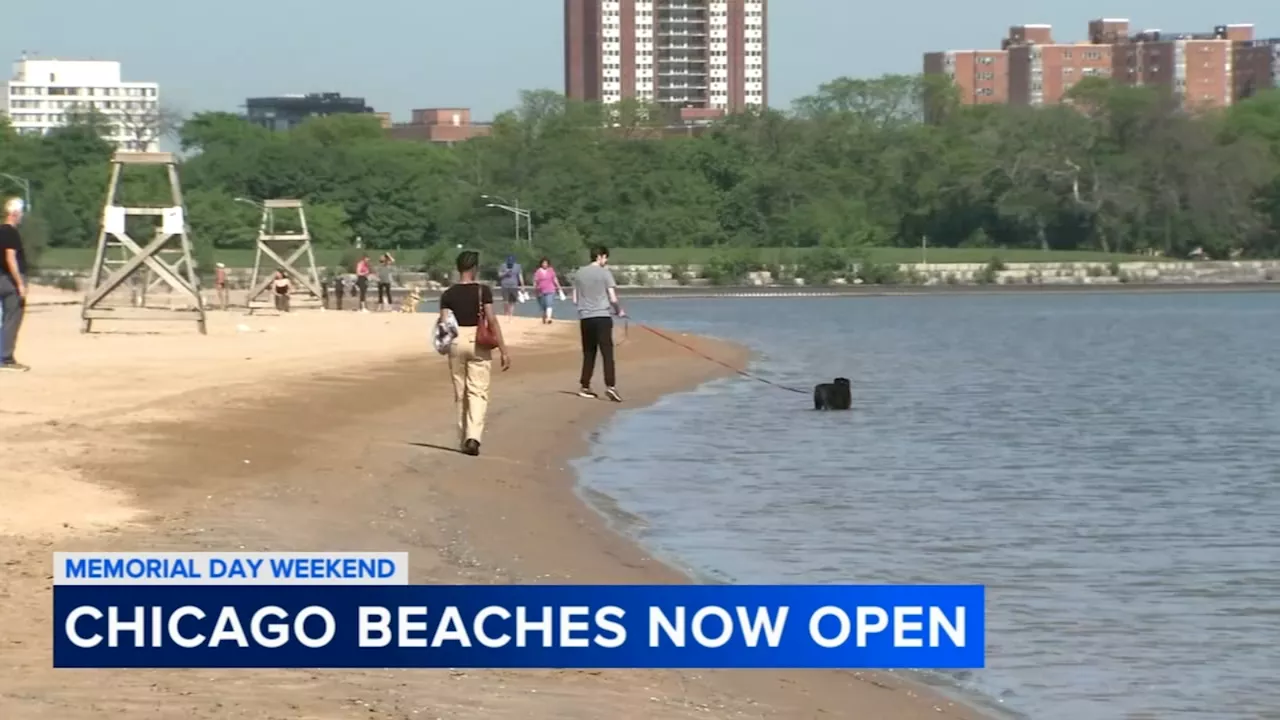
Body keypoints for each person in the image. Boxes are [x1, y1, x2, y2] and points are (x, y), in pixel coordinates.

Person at [439, 250, 511, 456]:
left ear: (458, 268)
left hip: (455, 341)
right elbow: (492, 320)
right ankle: (473, 437)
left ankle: (463, 439)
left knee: (460, 393)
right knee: (478, 391)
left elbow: (444, 323)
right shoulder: (483, 291)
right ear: (474, 268)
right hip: (478, 340)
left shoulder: (448, 294)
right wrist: (504, 350)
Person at [571, 245, 624, 402]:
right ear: (600, 256)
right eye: (605, 257)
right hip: (602, 316)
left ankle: (585, 385)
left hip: (586, 318)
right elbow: (613, 298)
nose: (606, 261)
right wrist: (619, 310)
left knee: (589, 353)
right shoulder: (605, 272)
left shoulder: (579, 273)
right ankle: (610, 386)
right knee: (607, 353)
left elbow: (574, 299)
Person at [0, 197, 28, 372]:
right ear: (15, 214)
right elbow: (11, 258)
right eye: (21, 213)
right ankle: (5, 357)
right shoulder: (11, 232)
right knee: (12, 318)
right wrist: (20, 284)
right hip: (8, 281)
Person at [532, 257, 562, 324]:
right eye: (543, 263)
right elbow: (535, 281)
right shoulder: (538, 271)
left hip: (550, 290)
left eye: (546, 263)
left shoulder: (551, 270)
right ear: (541, 264)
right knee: (543, 306)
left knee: (549, 303)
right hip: (541, 291)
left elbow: (554, 279)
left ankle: (549, 318)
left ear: (548, 264)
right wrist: (535, 288)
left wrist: (559, 287)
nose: (545, 264)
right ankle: (544, 316)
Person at [497, 254, 524, 319]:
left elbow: (520, 276)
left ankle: (511, 315)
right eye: (509, 261)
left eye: (511, 262)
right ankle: (506, 314)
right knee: (505, 301)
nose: (510, 263)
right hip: (505, 286)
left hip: (514, 286)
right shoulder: (503, 266)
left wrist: (522, 285)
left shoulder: (518, 266)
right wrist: (506, 273)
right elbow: (499, 275)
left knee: (512, 301)